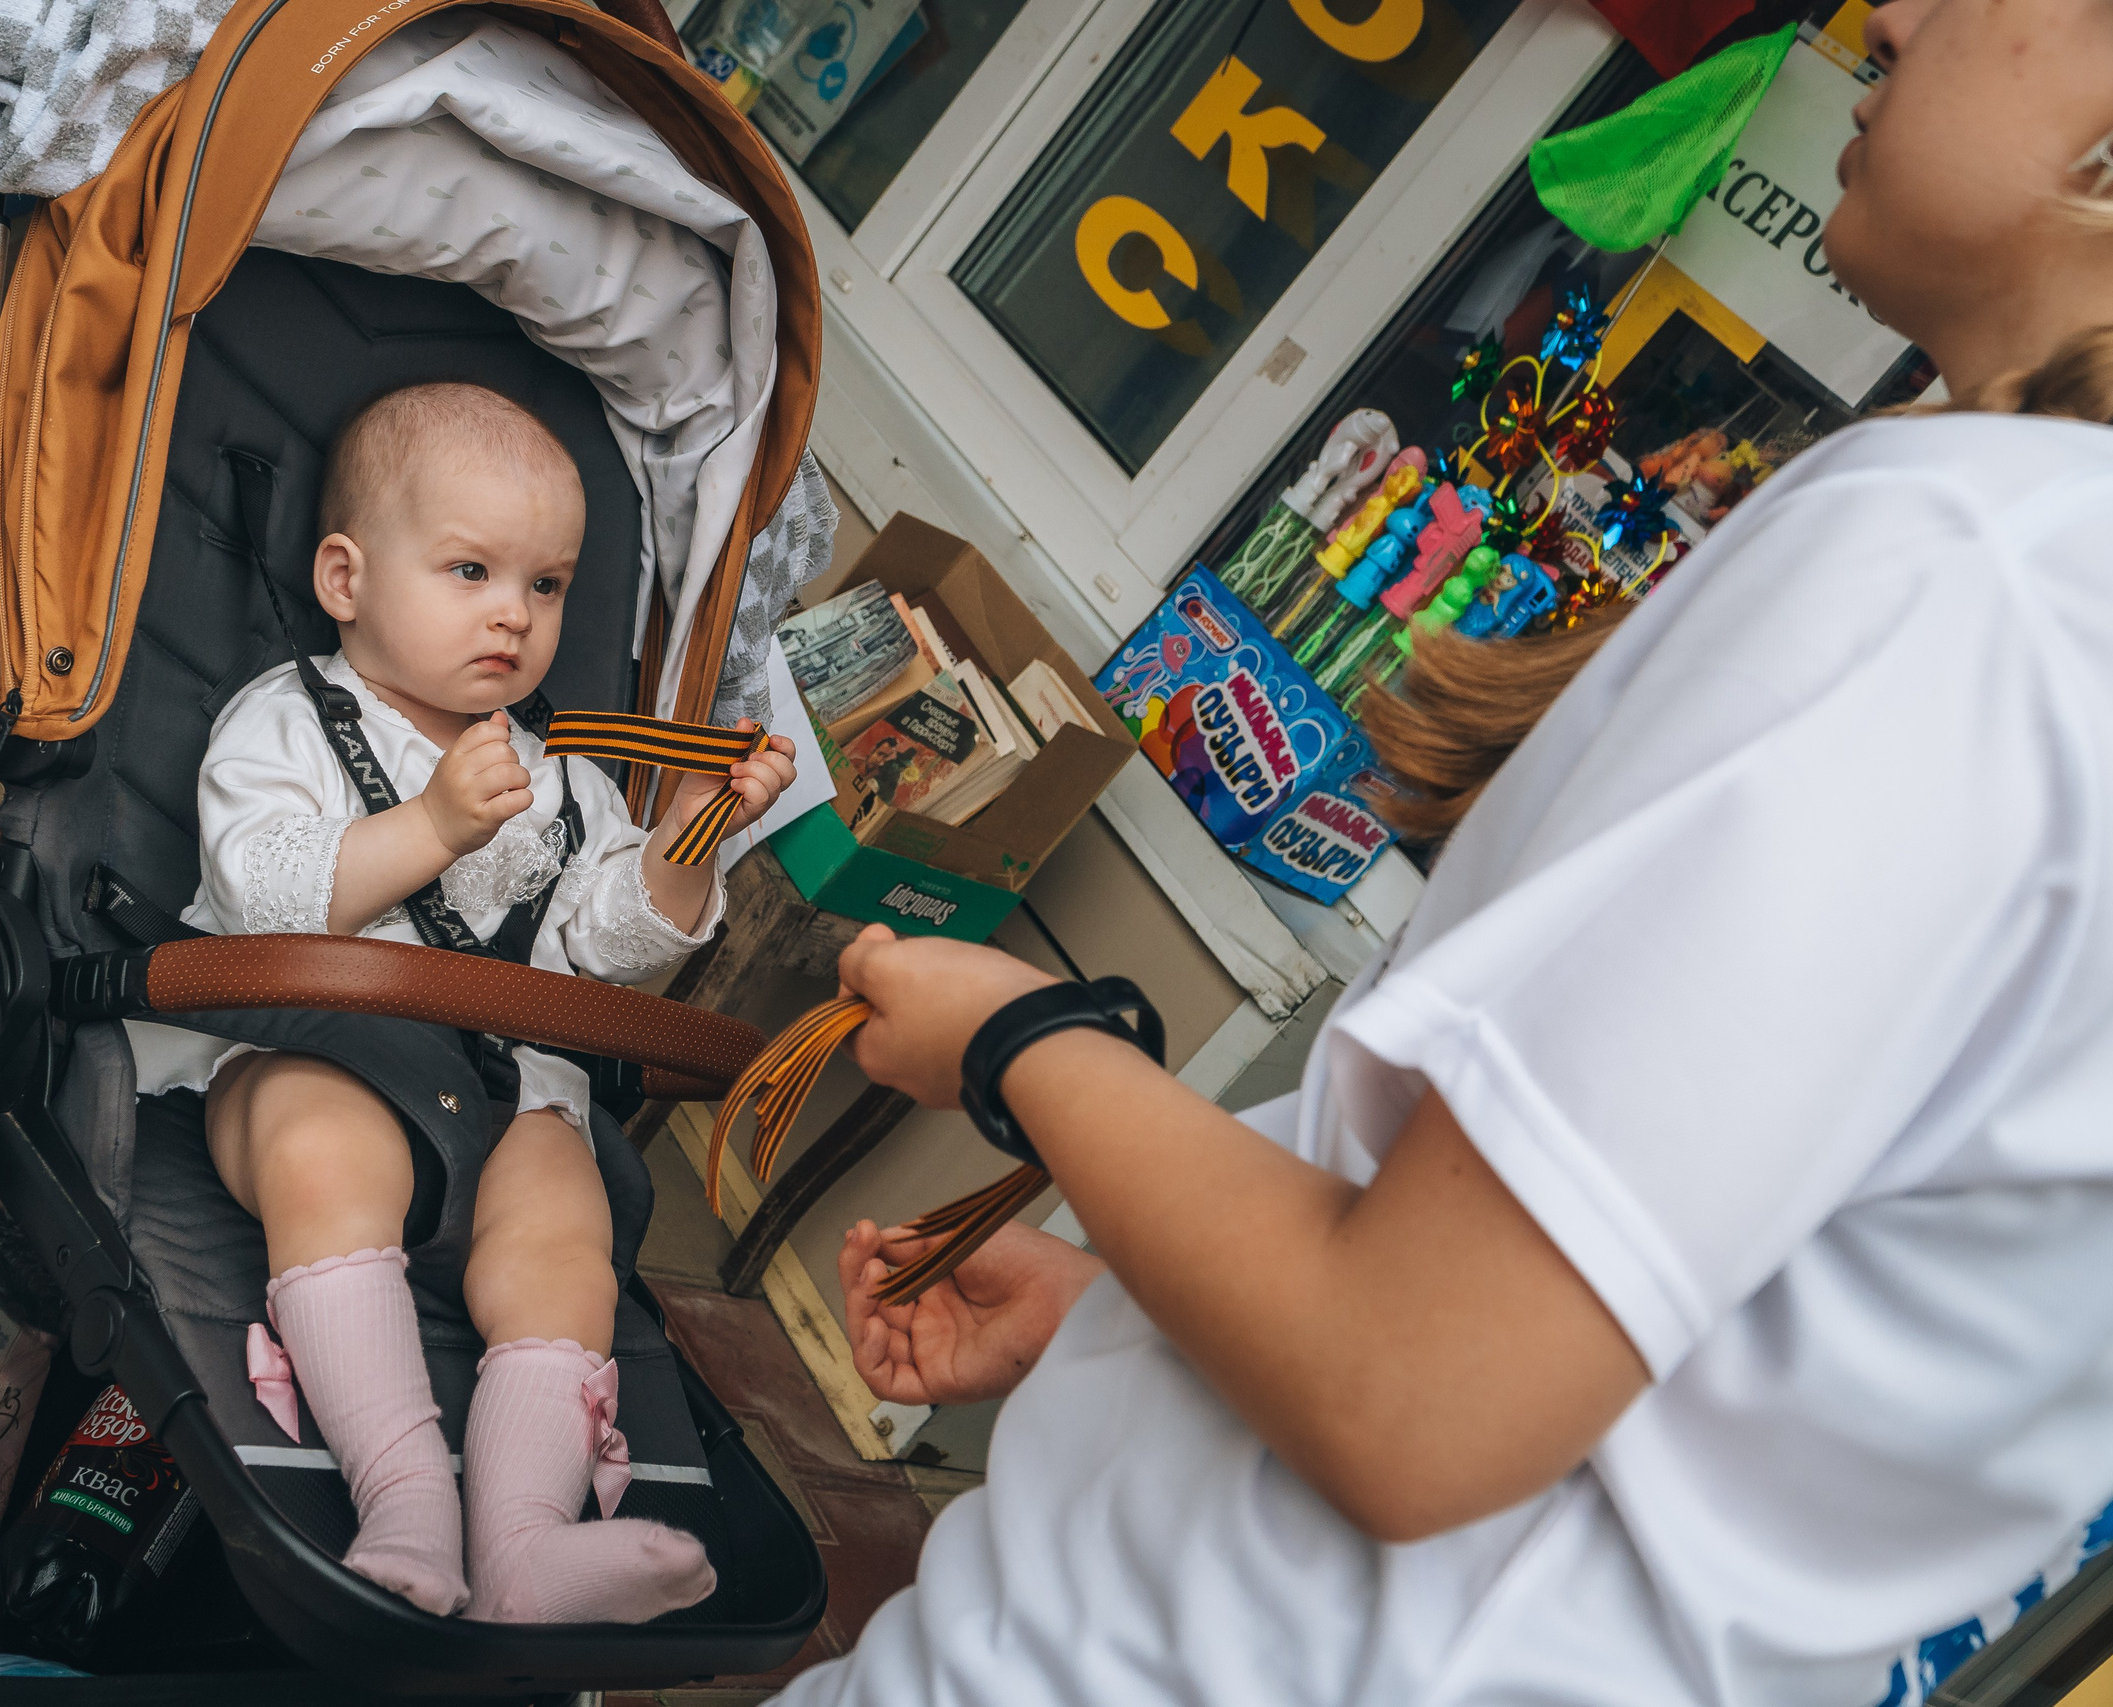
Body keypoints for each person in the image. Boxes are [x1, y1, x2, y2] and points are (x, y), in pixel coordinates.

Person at [783, 2, 2113, 1701]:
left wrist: (1016, 1041)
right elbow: (1697, 1381)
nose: (1899, 16)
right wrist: (1145, 1327)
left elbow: (1410, 1391)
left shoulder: (1967, 580)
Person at [127, 381, 796, 1622]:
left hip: (501, 1096)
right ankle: (406, 1505)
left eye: (545, 587)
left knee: (566, 1230)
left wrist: (688, 843)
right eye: (471, 570)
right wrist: (430, 824)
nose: (513, 616)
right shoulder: (289, 724)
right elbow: (267, 891)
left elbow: (607, 943)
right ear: (346, 578)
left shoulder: (560, 773)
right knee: (324, 1149)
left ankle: (528, 1538)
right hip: (308, 1051)